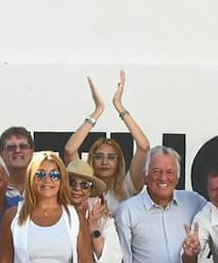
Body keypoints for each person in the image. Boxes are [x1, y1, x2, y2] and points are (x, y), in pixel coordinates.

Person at [62, 70, 152, 211]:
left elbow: (144, 146)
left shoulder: (127, 187)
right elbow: (70, 150)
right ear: (91, 158)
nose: (105, 162)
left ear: (119, 161)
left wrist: (118, 104)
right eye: (99, 156)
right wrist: (98, 110)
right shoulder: (82, 185)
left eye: (111, 157)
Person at [0, 126, 35, 196]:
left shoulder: (44, 185)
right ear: (1, 153)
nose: (17, 151)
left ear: (32, 151)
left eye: (23, 146)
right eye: (11, 147)